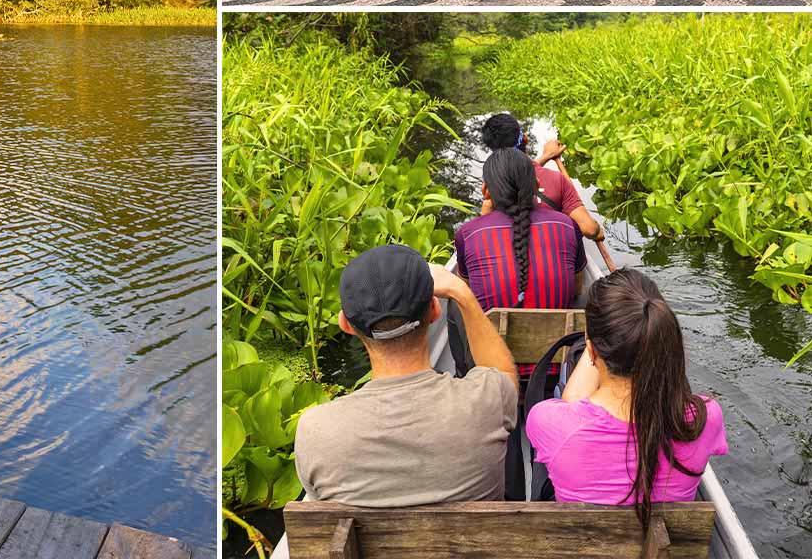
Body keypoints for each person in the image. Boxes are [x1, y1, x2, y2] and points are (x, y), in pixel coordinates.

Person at [294, 244, 518, 506]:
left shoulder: (315, 431)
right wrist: (462, 293)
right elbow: (503, 373)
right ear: (435, 310)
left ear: (346, 325)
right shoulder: (488, 399)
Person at [526, 268, 727, 527]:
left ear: (592, 352)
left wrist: (591, 349)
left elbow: (573, 403)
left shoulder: (549, 421)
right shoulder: (705, 417)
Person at [455, 148, 586, 312]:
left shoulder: (467, 234)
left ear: (485, 191)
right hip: (562, 336)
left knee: (457, 305)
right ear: (537, 184)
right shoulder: (567, 225)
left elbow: (468, 291)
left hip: (490, 336)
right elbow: (577, 288)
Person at [479, 112, 604, 241]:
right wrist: (598, 231)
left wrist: (546, 156)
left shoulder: (493, 184)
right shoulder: (556, 180)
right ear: (525, 138)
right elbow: (589, 229)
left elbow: (483, 231)